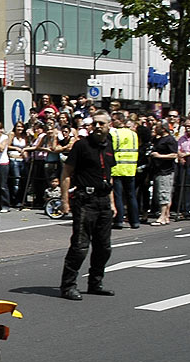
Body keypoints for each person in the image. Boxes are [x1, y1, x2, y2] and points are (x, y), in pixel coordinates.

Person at [59, 111, 117, 301]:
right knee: (80, 246)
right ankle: (68, 286)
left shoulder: (109, 145)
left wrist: (112, 202)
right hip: (85, 201)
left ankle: (95, 283)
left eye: (102, 123)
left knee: (104, 247)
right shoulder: (81, 145)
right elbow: (67, 172)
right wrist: (65, 200)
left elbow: (109, 176)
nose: (98, 126)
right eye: (95, 123)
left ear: (109, 125)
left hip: (103, 201)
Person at [110, 111, 140, 229]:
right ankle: (135, 221)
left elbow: (111, 149)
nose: (112, 122)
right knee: (131, 195)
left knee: (118, 196)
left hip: (117, 167)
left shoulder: (114, 134)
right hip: (131, 168)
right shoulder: (133, 134)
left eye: (114, 120)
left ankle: (118, 221)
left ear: (120, 121)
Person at [149, 122, 178, 225]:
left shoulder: (170, 140)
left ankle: (162, 216)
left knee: (164, 192)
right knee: (160, 192)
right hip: (157, 169)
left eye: (157, 127)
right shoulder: (158, 139)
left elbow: (174, 155)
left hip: (166, 170)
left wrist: (159, 156)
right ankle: (166, 216)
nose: (155, 129)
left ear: (163, 129)